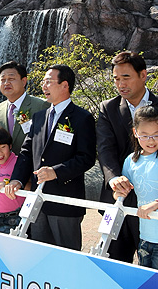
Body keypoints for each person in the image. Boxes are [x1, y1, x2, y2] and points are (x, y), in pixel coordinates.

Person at [8, 64, 96, 251]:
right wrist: (17, 179)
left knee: (67, 257)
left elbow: (86, 158)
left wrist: (56, 172)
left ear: (65, 85)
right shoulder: (39, 117)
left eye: (49, 82)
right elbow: (26, 151)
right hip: (38, 200)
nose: (44, 86)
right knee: (40, 254)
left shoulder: (82, 117)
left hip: (64, 202)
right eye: (43, 82)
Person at [97, 51, 158, 263]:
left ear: (143, 75)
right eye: (116, 78)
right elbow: (105, 148)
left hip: (152, 204)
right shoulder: (108, 108)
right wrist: (114, 178)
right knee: (114, 264)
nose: (120, 84)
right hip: (118, 199)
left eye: (126, 77)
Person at [0, 60, 49, 170]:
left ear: (23, 81)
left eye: (11, 79)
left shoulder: (42, 106)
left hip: (32, 172)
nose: (6, 83)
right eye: (3, 80)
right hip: (2, 175)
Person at [114, 105, 158, 269]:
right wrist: (118, 192)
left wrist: (154, 205)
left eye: (156, 135)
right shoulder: (131, 161)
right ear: (135, 133)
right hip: (144, 236)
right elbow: (121, 192)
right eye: (145, 136)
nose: (151, 140)